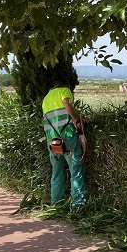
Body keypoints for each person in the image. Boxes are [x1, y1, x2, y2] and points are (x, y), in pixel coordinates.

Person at [42, 75, 87, 209]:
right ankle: (78, 204)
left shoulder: (45, 99)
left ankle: (56, 203)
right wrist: (75, 120)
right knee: (76, 169)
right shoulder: (64, 91)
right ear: (65, 86)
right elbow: (66, 103)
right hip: (67, 136)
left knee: (57, 172)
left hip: (52, 141)